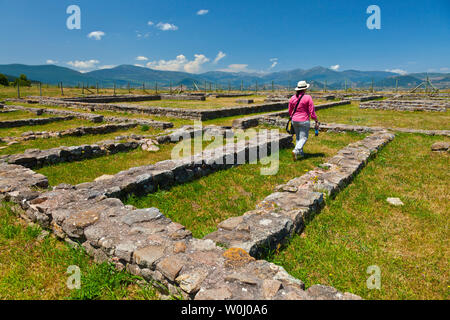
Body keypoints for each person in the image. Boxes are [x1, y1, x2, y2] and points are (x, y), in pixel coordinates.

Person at [288, 80, 319, 160]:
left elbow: (290, 110)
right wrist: (315, 119)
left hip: (294, 120)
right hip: (304, 120)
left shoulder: (292, 98)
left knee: (298, 137)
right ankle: (296, 150)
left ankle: (300, 154)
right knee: (304, 137)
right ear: (305, 89)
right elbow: (312, 111)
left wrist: (293, 116)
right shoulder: (308, 97)